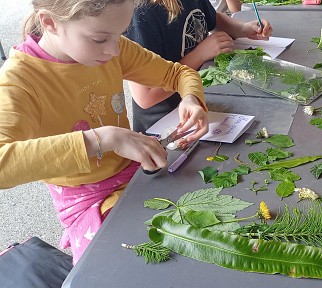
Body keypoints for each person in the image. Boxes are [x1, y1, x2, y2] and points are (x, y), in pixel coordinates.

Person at [0, 0, 209, 263]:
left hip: (134, 174)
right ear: (50, 23)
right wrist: (102, 139)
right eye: (99, 39)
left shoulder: (114, 48)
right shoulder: (19, 82)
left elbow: (176, 73)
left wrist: (191, 98)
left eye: (120, 35)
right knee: (124, 262)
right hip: (86, 198)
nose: (113, 50)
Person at [124, 0, 272, 134]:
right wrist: (199, 55)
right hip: (165, 124)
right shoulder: (141, 15)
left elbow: (211, 17)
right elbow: (145, 96)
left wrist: (243, 28)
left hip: (201, 100)